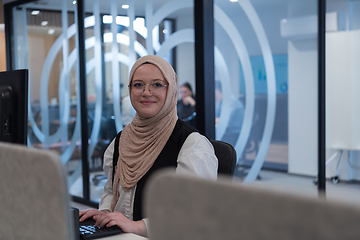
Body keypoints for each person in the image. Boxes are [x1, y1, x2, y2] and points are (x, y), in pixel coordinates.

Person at [79, 55, 218, 237]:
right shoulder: (122, 140)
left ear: (172, 90)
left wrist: (137, 227)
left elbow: (194, 215)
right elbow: (110, 190)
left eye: (157, 84)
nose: (146, 92)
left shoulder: (192, 145)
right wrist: (105, 214)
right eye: (138, 85)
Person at [215, 80, 245, 147]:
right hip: (228, 131)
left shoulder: (231, 101)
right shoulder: (222, 102)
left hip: (235, 133)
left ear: (216, 91)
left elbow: (224, 121)